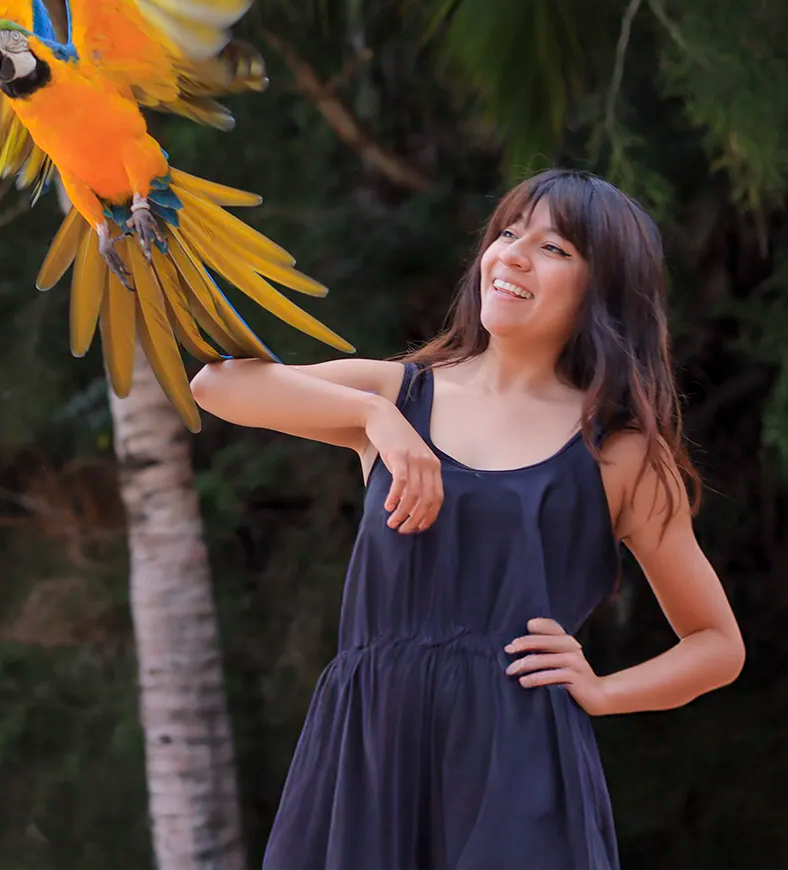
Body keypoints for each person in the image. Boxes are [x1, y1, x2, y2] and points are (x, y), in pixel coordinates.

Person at [190, 169, 745, 870]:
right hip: (366, 752)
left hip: (518, 766)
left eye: (554, 249)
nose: (511, 254)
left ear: (600, 290)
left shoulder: (621, 453)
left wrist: (604, 692)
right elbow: (216, 384)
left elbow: (717, 645)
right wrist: (373, 418)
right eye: (507, 233)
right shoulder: (398, 393)